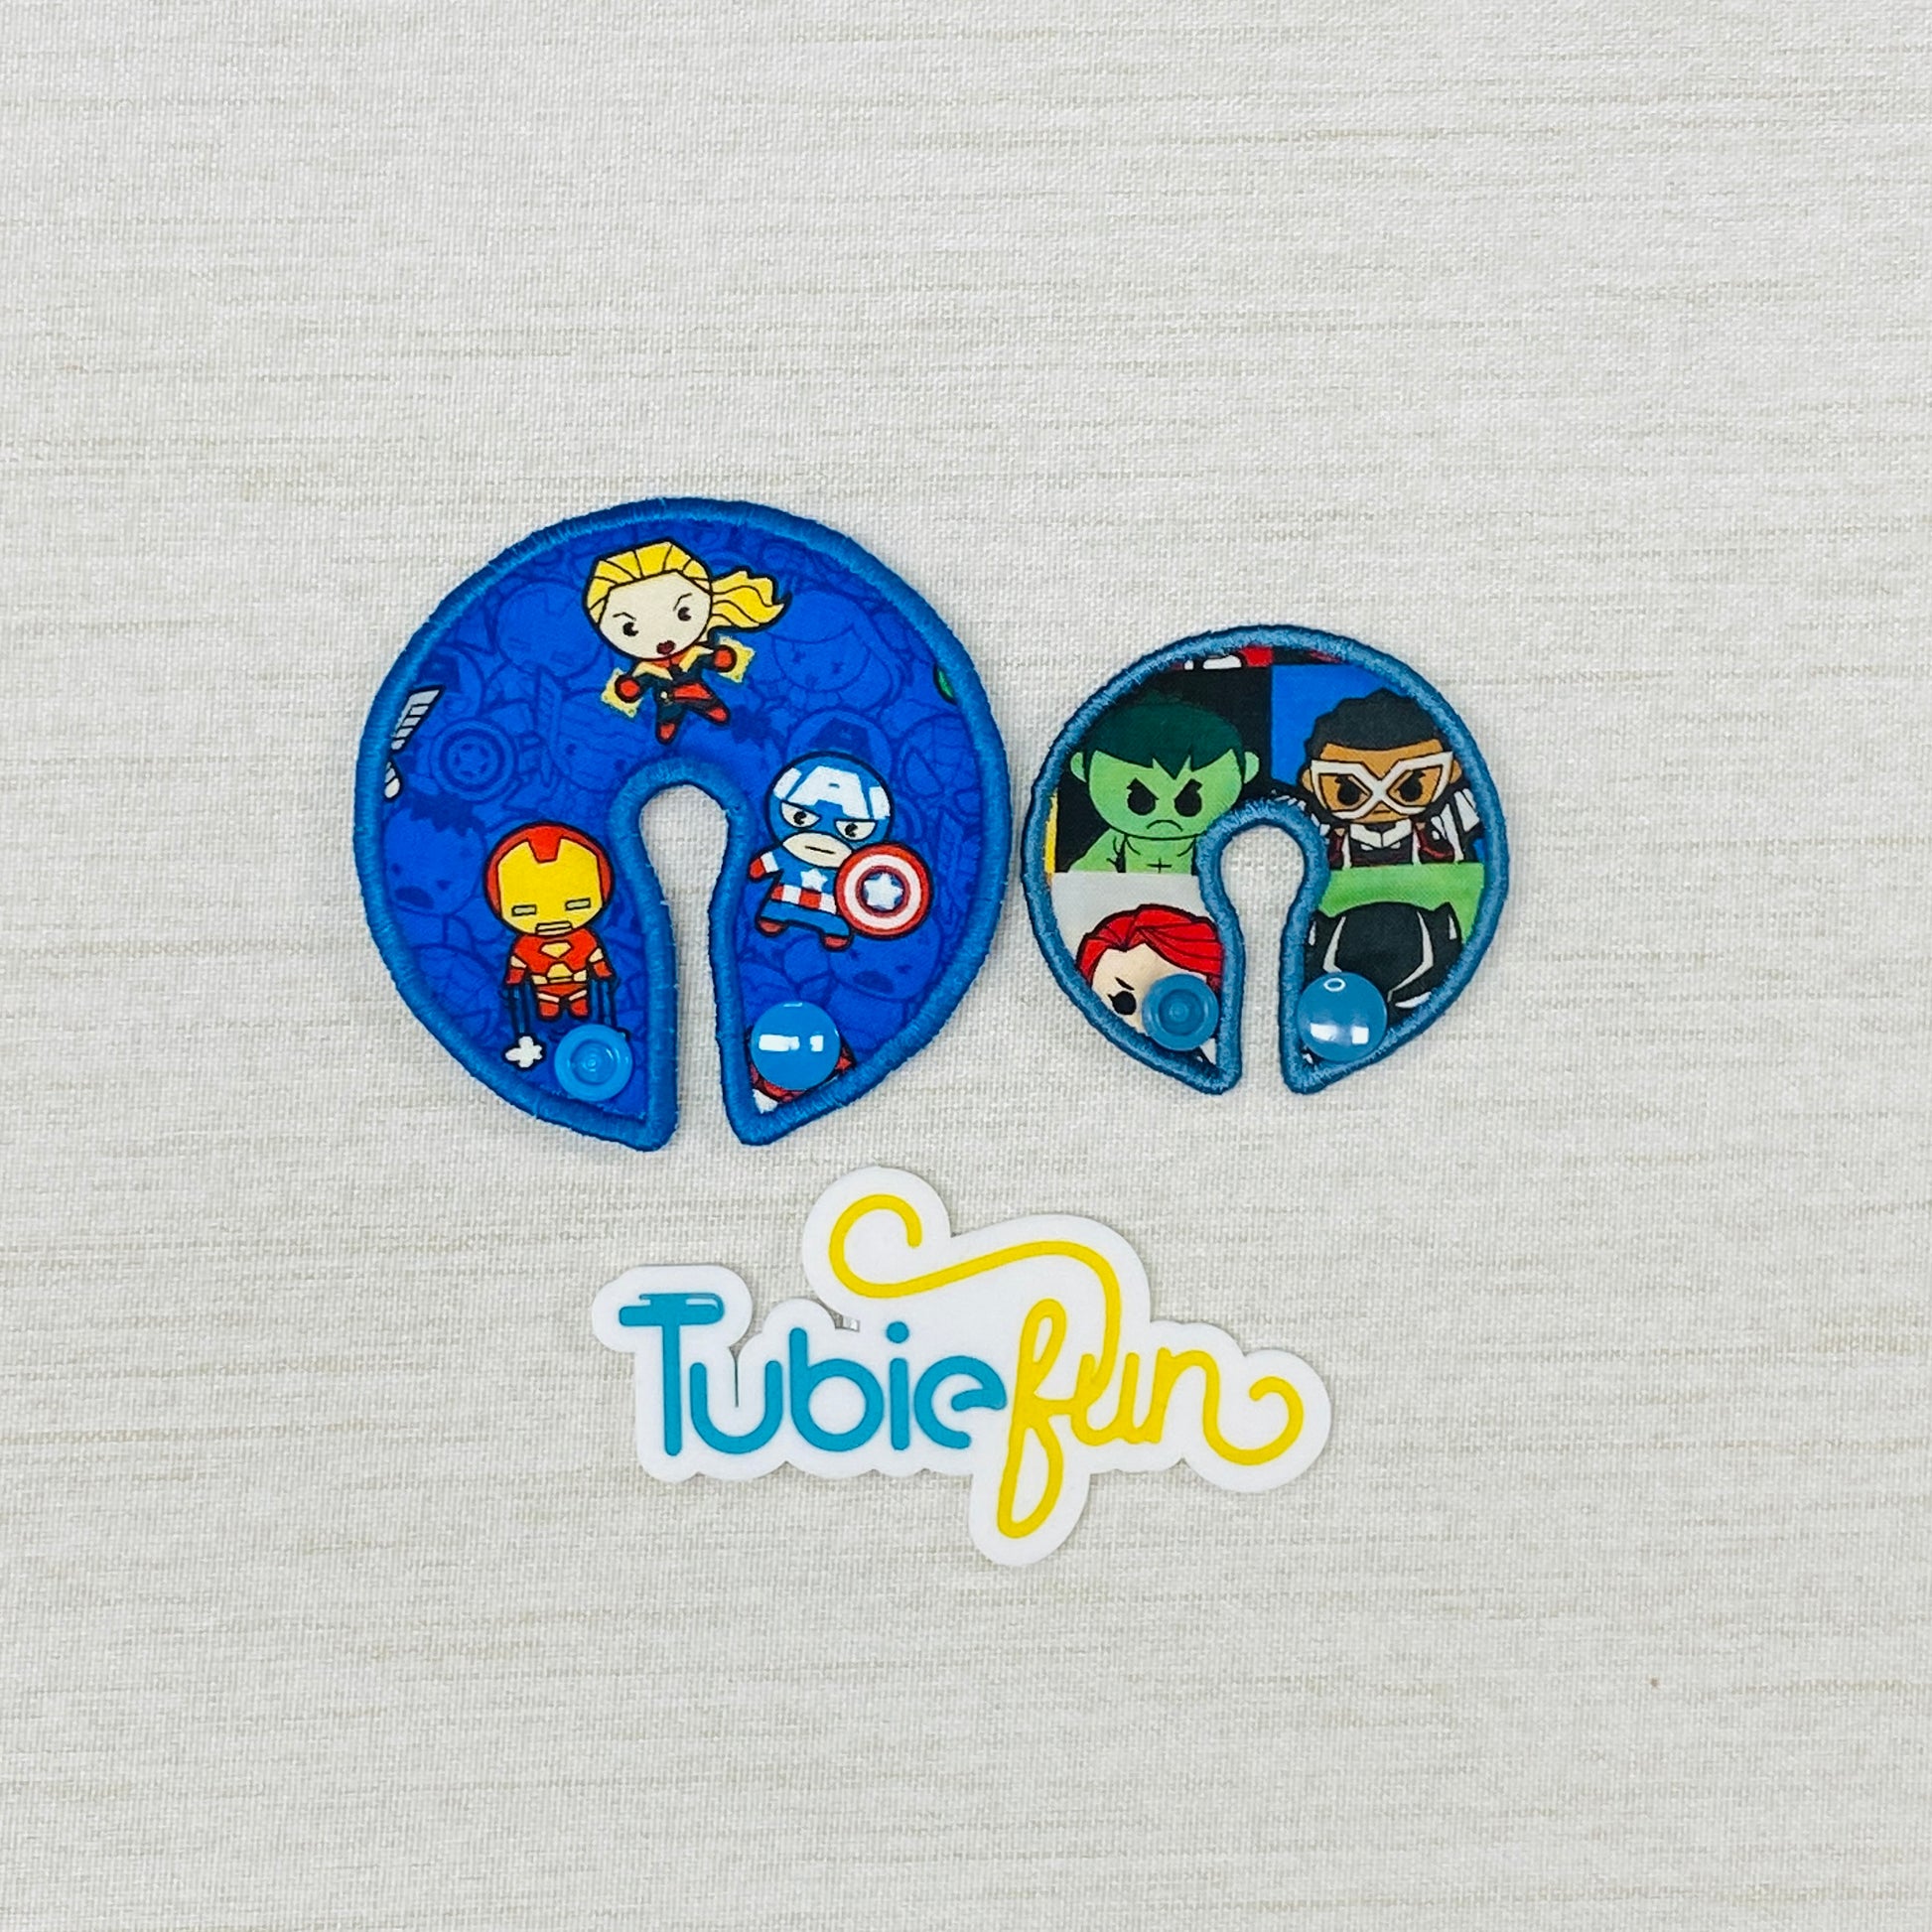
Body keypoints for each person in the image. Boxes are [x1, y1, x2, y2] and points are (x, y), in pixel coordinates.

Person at [584, 541, 785, 744]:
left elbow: (715, 659)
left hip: (695, 687)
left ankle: (709, 709)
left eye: (684, 613)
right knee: (668, 711)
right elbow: (634, 687)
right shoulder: (646, 668)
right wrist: (630, 687)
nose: (663, 639)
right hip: (669, 695)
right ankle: (669, 723)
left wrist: (720, 658)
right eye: (629, 629)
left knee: (707, 702)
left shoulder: (696, 651)